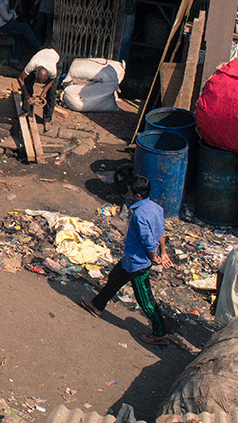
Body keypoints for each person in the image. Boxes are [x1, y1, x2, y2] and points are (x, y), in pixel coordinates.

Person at [80, 174, 173, 345]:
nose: (128, 192)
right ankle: (97, 305)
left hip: (138, 264)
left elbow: (148, 242)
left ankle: (160, 332)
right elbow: (160, 232)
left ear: (137, 195)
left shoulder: (139, 215)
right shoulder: (156, 208)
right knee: (114, 280)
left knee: (145, 300)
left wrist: (154, 257)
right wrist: (164, 251)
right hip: (129, 260)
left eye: (130, 190)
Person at [0, 0, 40, 68]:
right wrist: (15, 6)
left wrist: (14, 8)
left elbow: (9, 14)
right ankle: (39, 47)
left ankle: (14, 59)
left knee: (23, 35)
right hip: (2, 26)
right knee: (25, 28)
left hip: (5, 23)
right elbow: (7, 18)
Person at [18, 48, 59, 133]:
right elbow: (20, 79)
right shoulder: (32, 64)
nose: (38, 83)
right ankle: (27, 109)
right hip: (41, 57)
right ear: (35, 73)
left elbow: (51, 81)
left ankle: (47, 119)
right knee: (28, 83)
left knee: (51, 93)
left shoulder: (53, 70)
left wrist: (42, 94)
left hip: (54, 58)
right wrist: (27, 96)